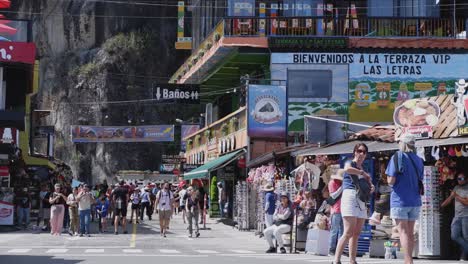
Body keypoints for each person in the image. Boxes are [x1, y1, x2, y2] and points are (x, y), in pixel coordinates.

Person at [334, 143, 374, 264]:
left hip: (361, 199)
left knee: (356, 233)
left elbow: (369, 183)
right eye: (359, 151)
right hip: (350, 195)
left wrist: (371, 187)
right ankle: (336, 260)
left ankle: (352, 260)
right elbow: (347, 169)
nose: (361, 154)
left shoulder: (365, 169)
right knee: (348, 232)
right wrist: (362, 173)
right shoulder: (350, 162)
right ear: (355, 152)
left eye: (364, 152)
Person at [386, 134, 423, 264]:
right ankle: (409, 259)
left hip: (400, 200)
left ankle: (408, 261)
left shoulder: (397, 156)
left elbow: (391, 180)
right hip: (415, 200)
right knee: (410, 232)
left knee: (403, 232)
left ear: (403, 143)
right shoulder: (418, 159)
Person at [442, 172, 468, 260]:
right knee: (454, 236)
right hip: (457, 216)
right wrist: (441, 205)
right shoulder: (456, 187)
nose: (460, 180)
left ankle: (464, 257)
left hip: (466, 216)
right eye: (458, 179)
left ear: (466, 179)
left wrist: (456, 195)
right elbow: (450, 198)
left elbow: (466, 202)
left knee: (466, 237)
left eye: (462, 179)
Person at [328, 169, 345, 256]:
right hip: (336, 210)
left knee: (342, 231)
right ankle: (331, 249)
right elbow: (333, 195)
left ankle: (339, 249)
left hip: (344, 210)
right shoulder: (332, 183)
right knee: (334, 230)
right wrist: (341, 188)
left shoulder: (343, 184)